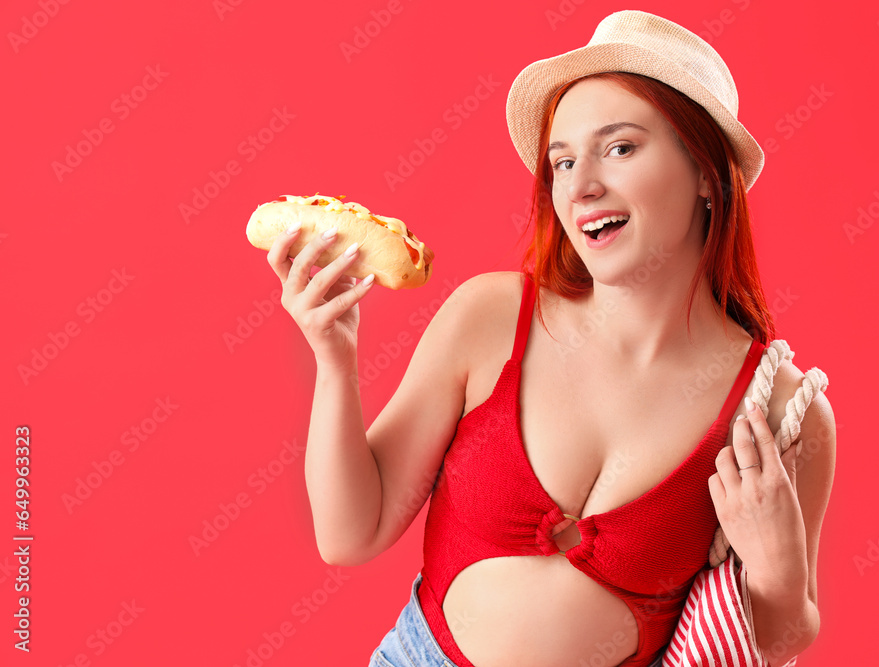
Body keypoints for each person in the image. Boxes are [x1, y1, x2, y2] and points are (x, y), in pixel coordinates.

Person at [265, 10, 835, 667]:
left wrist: (777, 569)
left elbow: (780, 636)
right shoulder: (489, 317)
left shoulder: (779, 410)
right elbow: (349, 533)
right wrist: (334, 359)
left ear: (707, 173)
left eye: (619, 148)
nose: (581, 186)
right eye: (561, 161)